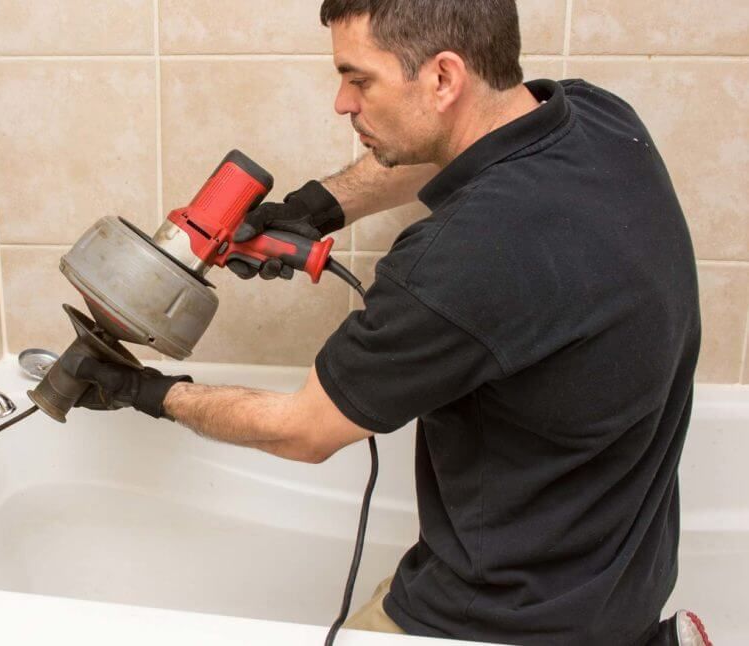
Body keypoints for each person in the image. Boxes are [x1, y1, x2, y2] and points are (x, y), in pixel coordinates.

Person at [62, 1, 711, 644]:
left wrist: (144, 391)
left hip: (504, 623)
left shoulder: (464, 258)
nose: (341, 102)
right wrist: (318, 207)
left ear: (443, 77)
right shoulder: (596, 120)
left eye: (359, 79)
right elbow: (445, 146)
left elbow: (304, 431)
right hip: (618, 584)